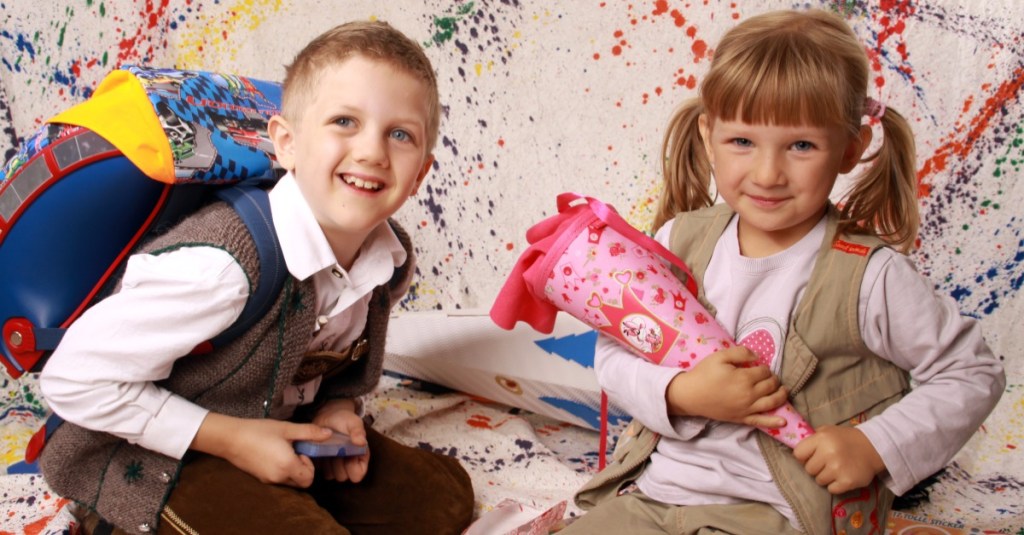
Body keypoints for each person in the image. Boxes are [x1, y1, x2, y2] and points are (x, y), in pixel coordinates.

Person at [562, 9, 1005, 535]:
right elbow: (618, 349)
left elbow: (973, 372)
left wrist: (876, 445)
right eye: (742, 142)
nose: (769, 173)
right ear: (709, 134)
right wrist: (680, 393)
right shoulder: (678, 241)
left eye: (801, 146)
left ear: (849, 149)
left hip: (776, 513)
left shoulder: (869, 278)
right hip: (654, 497)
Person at [38, 20, 474, 535]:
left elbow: (330, 358)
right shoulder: (223, 265)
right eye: (344, 121)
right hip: (155, 450)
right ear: (286, 143)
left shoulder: (388, 258)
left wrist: (337, 407)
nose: (373, 152)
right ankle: (120, 516)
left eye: (399, 134)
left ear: (420, 173)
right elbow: (71, 379)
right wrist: (231, 438)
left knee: (444, 500)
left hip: (275, 424)